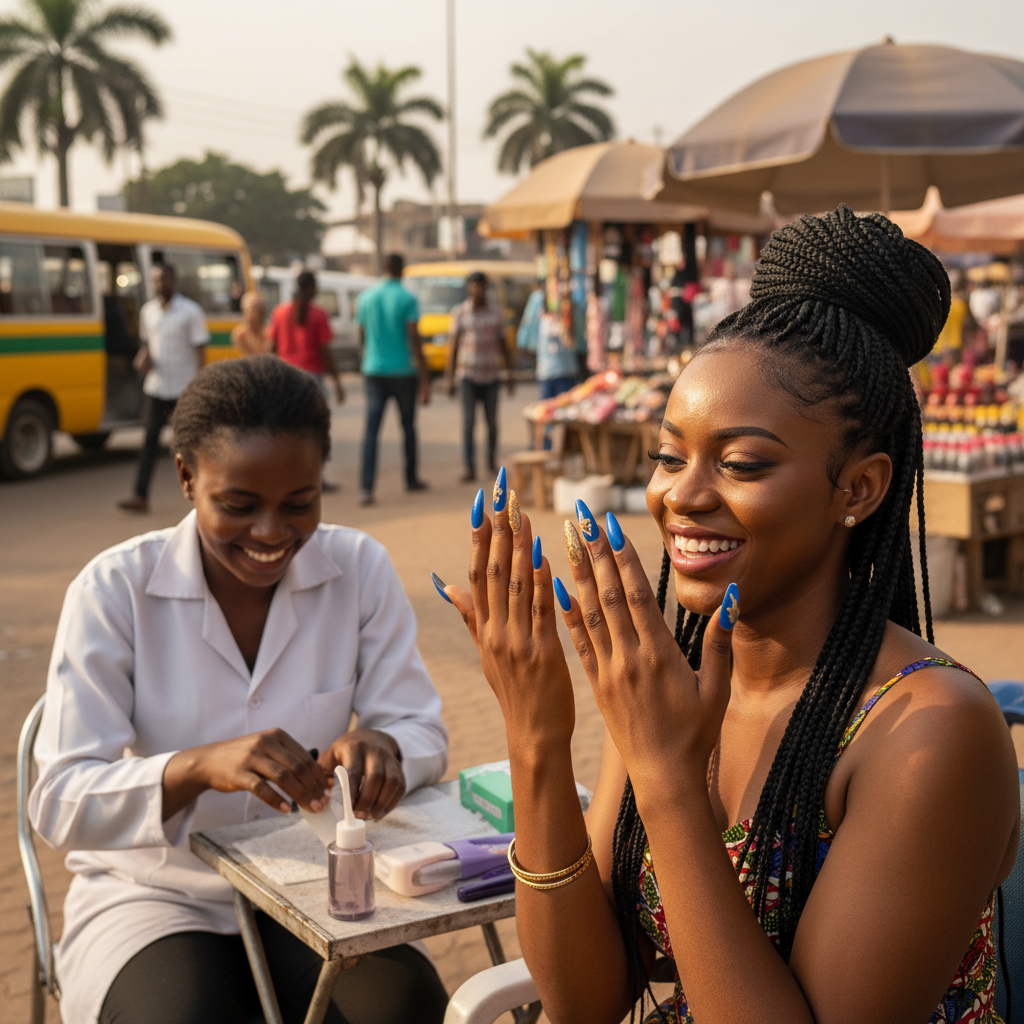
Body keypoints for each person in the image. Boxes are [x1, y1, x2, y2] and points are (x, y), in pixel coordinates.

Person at [434, 207, 1020, 1024]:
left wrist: (670, 780)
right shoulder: (672, 681)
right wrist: (535, 737)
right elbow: (587, 997)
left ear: (859, 488)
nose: (681, 495)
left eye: (740, 463)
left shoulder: (930, 731)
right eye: (669, 455)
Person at [32, 356, 450, 1024]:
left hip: (312, 877)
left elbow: (421, 728)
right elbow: (58, 801)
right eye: (238, 505)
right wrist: (196, 767)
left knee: (401, 1006)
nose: (270, 533)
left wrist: (386, 746)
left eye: (300, 503)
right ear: (186, 478)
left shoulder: (358, 569)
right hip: (155, 895)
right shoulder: (114, 590)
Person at [118, 264, 208, 513]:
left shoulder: (190, 312)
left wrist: (200, 386)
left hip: (183, 388)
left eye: (164, 279)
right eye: (156, 280)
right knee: (149, 443)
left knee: (189, 446)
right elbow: (148, 344)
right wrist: (143, 358)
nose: (161, 284)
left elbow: (200, 349)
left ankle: (203, 495)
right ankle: (140, 496)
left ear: (173, 280)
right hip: (157, 388)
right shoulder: (148, 312)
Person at [356, 253, 430, 505]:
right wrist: (424, 373)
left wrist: (367, 359)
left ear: (382, 268)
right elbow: (413, 338)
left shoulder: (366, 297)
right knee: (408, 427)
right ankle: (410, 478)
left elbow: (361, 336)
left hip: (374, 370)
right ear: (402, 270)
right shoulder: (407, 298)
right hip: (402, 371)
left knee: (371, 431)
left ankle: (366, 487)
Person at [446, 271, 515, 483]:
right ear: (469, 287)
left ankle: (491, 462)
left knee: (492, 422)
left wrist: (510, 372)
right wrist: (449, 378)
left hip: (491, 375)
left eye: (481, 285)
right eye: (474, 285)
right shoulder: (460, 313)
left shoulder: (496, 313)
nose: (478, 290)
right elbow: (453, 346)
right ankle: (469, 466)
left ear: (486, 288)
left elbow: (504, 345)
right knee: (468, 423)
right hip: (467, 375)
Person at [269, 271, 344, 404]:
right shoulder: (319, 314)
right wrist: (337, 381)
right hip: (312, 376)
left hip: (286, 376)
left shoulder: (279, 312)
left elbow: (271, 347)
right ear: (311, 287)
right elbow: (325, 351)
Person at [231, 290, 272, 356]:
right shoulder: (240, 335)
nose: (256, 314)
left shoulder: (268, 332)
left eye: (259, 310)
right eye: (253, 310)